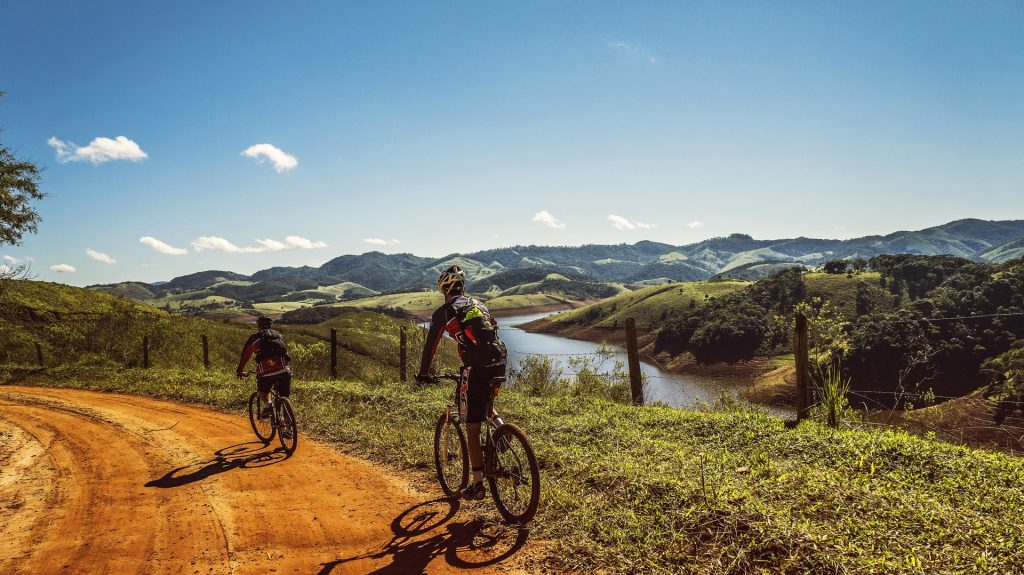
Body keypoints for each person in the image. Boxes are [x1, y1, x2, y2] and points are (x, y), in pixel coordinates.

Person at [416, 265, 507, 501]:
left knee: (472, 426)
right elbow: (494, 332)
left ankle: (477, 485)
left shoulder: (445, 312)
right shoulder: (479, 305)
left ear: (444, 290)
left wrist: (424, 373)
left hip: (475, 369)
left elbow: (430, 346)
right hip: (498, 363)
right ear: (463, 287)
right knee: (487, 407)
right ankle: (503, 430)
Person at [237, 315, 293, 426]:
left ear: (258, 326)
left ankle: (268, 406)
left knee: (263, 391)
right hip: (284, 370)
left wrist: (240, 370)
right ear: (270, 325)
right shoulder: (278, 336)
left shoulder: (254, 338)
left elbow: (245, 356)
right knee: (285, 398)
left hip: (266, 373)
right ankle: (289, 428)